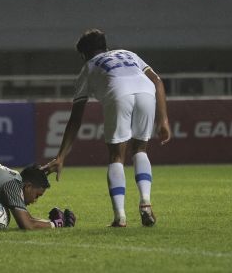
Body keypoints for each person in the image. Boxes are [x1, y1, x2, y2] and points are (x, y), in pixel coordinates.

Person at [42, 29, 171, 227]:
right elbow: (158, 81)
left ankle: (120, 216)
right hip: (146, 90)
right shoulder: (129, 54)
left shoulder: (88, 67)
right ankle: (145, 201)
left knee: (116, 156)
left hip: (118, 91)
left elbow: (75, 118)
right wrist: (163, 121)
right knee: (140, 149)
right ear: (105, 46)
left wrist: (61, 156)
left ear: (84, 54)